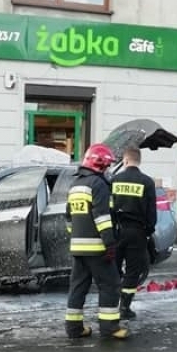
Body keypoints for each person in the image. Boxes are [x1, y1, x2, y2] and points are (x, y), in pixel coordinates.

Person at [65, 143, 128, 340]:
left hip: (78, 248)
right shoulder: (98, 184)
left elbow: (68, 218)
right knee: (110, 285)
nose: (108, 169)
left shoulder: (75, 185)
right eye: (107, 166)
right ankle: (110, 328)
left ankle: (74, 329)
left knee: (78, 287)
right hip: (97, 247)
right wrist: (109, 243)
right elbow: (102, 217)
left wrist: (76, 237)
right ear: (100, 165)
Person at [110, 144, 157, 320]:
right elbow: (151, 213)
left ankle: (110, 305)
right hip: (137, 233)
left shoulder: (114, 180)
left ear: (126, 160)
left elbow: (109, 207)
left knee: (114, 269)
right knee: (132, 271)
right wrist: (148, 231)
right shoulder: (147, 182)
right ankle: (125, 307)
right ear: (139, 161)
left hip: (117, 231)